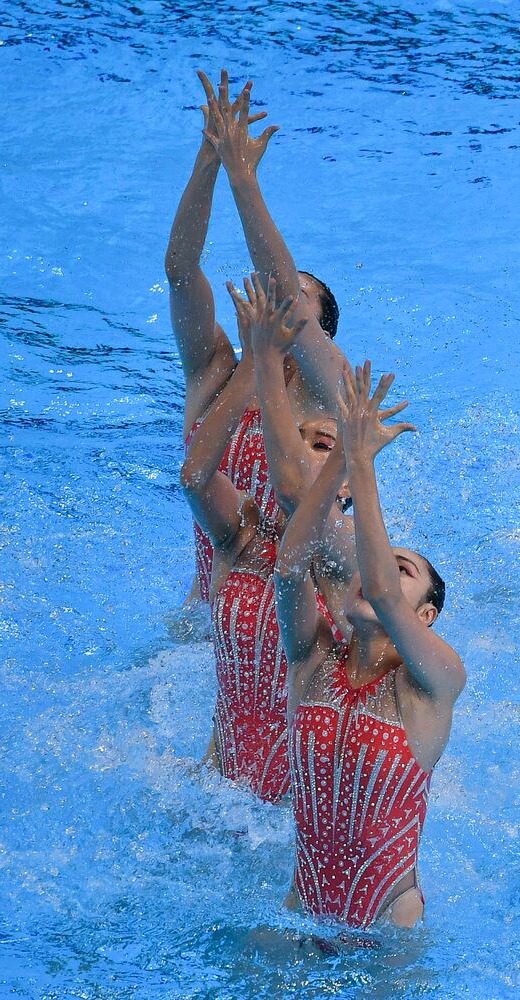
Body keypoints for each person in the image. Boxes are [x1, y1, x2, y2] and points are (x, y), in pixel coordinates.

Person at [274, 363, 463, 929]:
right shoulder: (314, 660)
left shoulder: (434, 682)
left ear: (425, 616)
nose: (376, 575)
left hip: (387, 929)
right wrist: (339, 463)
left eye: (401, 569)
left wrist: (361, 459)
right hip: (299, 913)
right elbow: (289, 568)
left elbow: (380, 590)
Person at [168, 69, 348, 602]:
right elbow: (181, 270)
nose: (274, 296)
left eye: (297, 296)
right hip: (210, 615)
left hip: (299, 626)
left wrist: (245, 180)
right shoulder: (215, 373)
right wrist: (208, 163)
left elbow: (284, 292)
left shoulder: (328, 395)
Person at [180, 276, 335, 801]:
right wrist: (257, 358)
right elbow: (195, 477)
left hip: (300, 812)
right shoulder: (241, 544)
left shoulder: (342, 562)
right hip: (221, 792)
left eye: (322, 445)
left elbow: (295, 492)